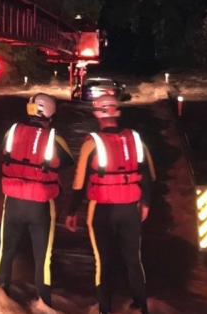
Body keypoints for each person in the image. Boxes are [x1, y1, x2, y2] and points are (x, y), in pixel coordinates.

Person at [64, 95, 155, 314]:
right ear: (117, 112)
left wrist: (71, 211)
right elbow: (148, 175)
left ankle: (105, 309)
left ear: (96, 114)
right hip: (130, 208)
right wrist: (145, 203)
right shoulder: (135, 139)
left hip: (101, 210)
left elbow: (79, 182)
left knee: (103, 261)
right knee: (134, 260)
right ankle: (141, 307)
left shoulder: (90, 143)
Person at [0, 93, 74, 309]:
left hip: (12, 203)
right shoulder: (54, 139)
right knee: (43, 258)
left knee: (6, 251)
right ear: (49, 113)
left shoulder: (12, 132)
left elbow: (4, 153)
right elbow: (66, 161)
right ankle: (44, 305)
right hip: (39, 206)